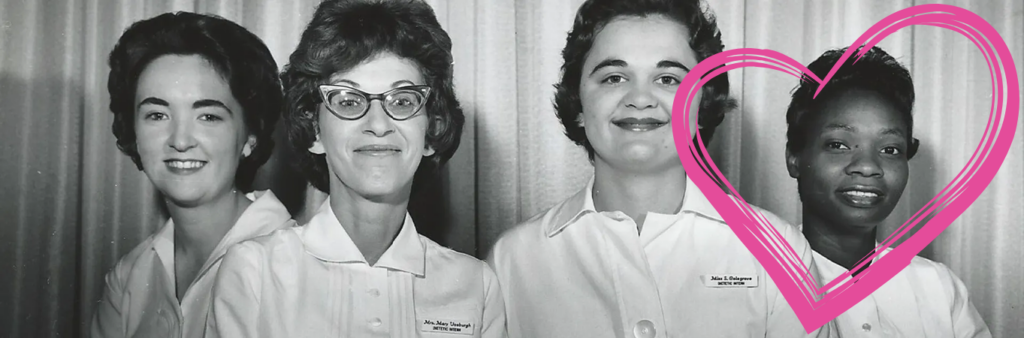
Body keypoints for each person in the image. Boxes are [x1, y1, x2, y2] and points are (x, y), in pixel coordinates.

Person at [487, 0, 832, 337]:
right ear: (578, 104)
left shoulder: (778, 249)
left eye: (667, 79)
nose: (640, 98)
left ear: (701, 106)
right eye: (613, 77)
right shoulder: (511, 261)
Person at [205, 1, 505, 337]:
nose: (377, 124)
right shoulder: (253, 271)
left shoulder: (475, 285)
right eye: (348, 101)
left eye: (402, 101)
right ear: (315, 131)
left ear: (431, 132)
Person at [90, 11, 293, 338]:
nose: (180, 140)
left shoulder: (297, 266)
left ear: (249, 137)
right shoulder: (127, 277)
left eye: (208, 117)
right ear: (134, 133)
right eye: (157, 114)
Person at [786, 46, 992, 337]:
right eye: (839, 144)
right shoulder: (755, 283)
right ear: (795, 157)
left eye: (890, 149)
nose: (868, 166)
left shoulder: (939, 288)